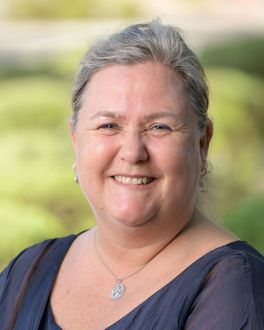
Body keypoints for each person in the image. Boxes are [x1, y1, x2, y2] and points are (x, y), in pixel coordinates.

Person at [0, 19, 263, 330]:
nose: (133, 152)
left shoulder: (235, 289)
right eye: (108, 126)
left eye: (159, 127)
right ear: (75, 139)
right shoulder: (28, 270)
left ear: (202, 142)